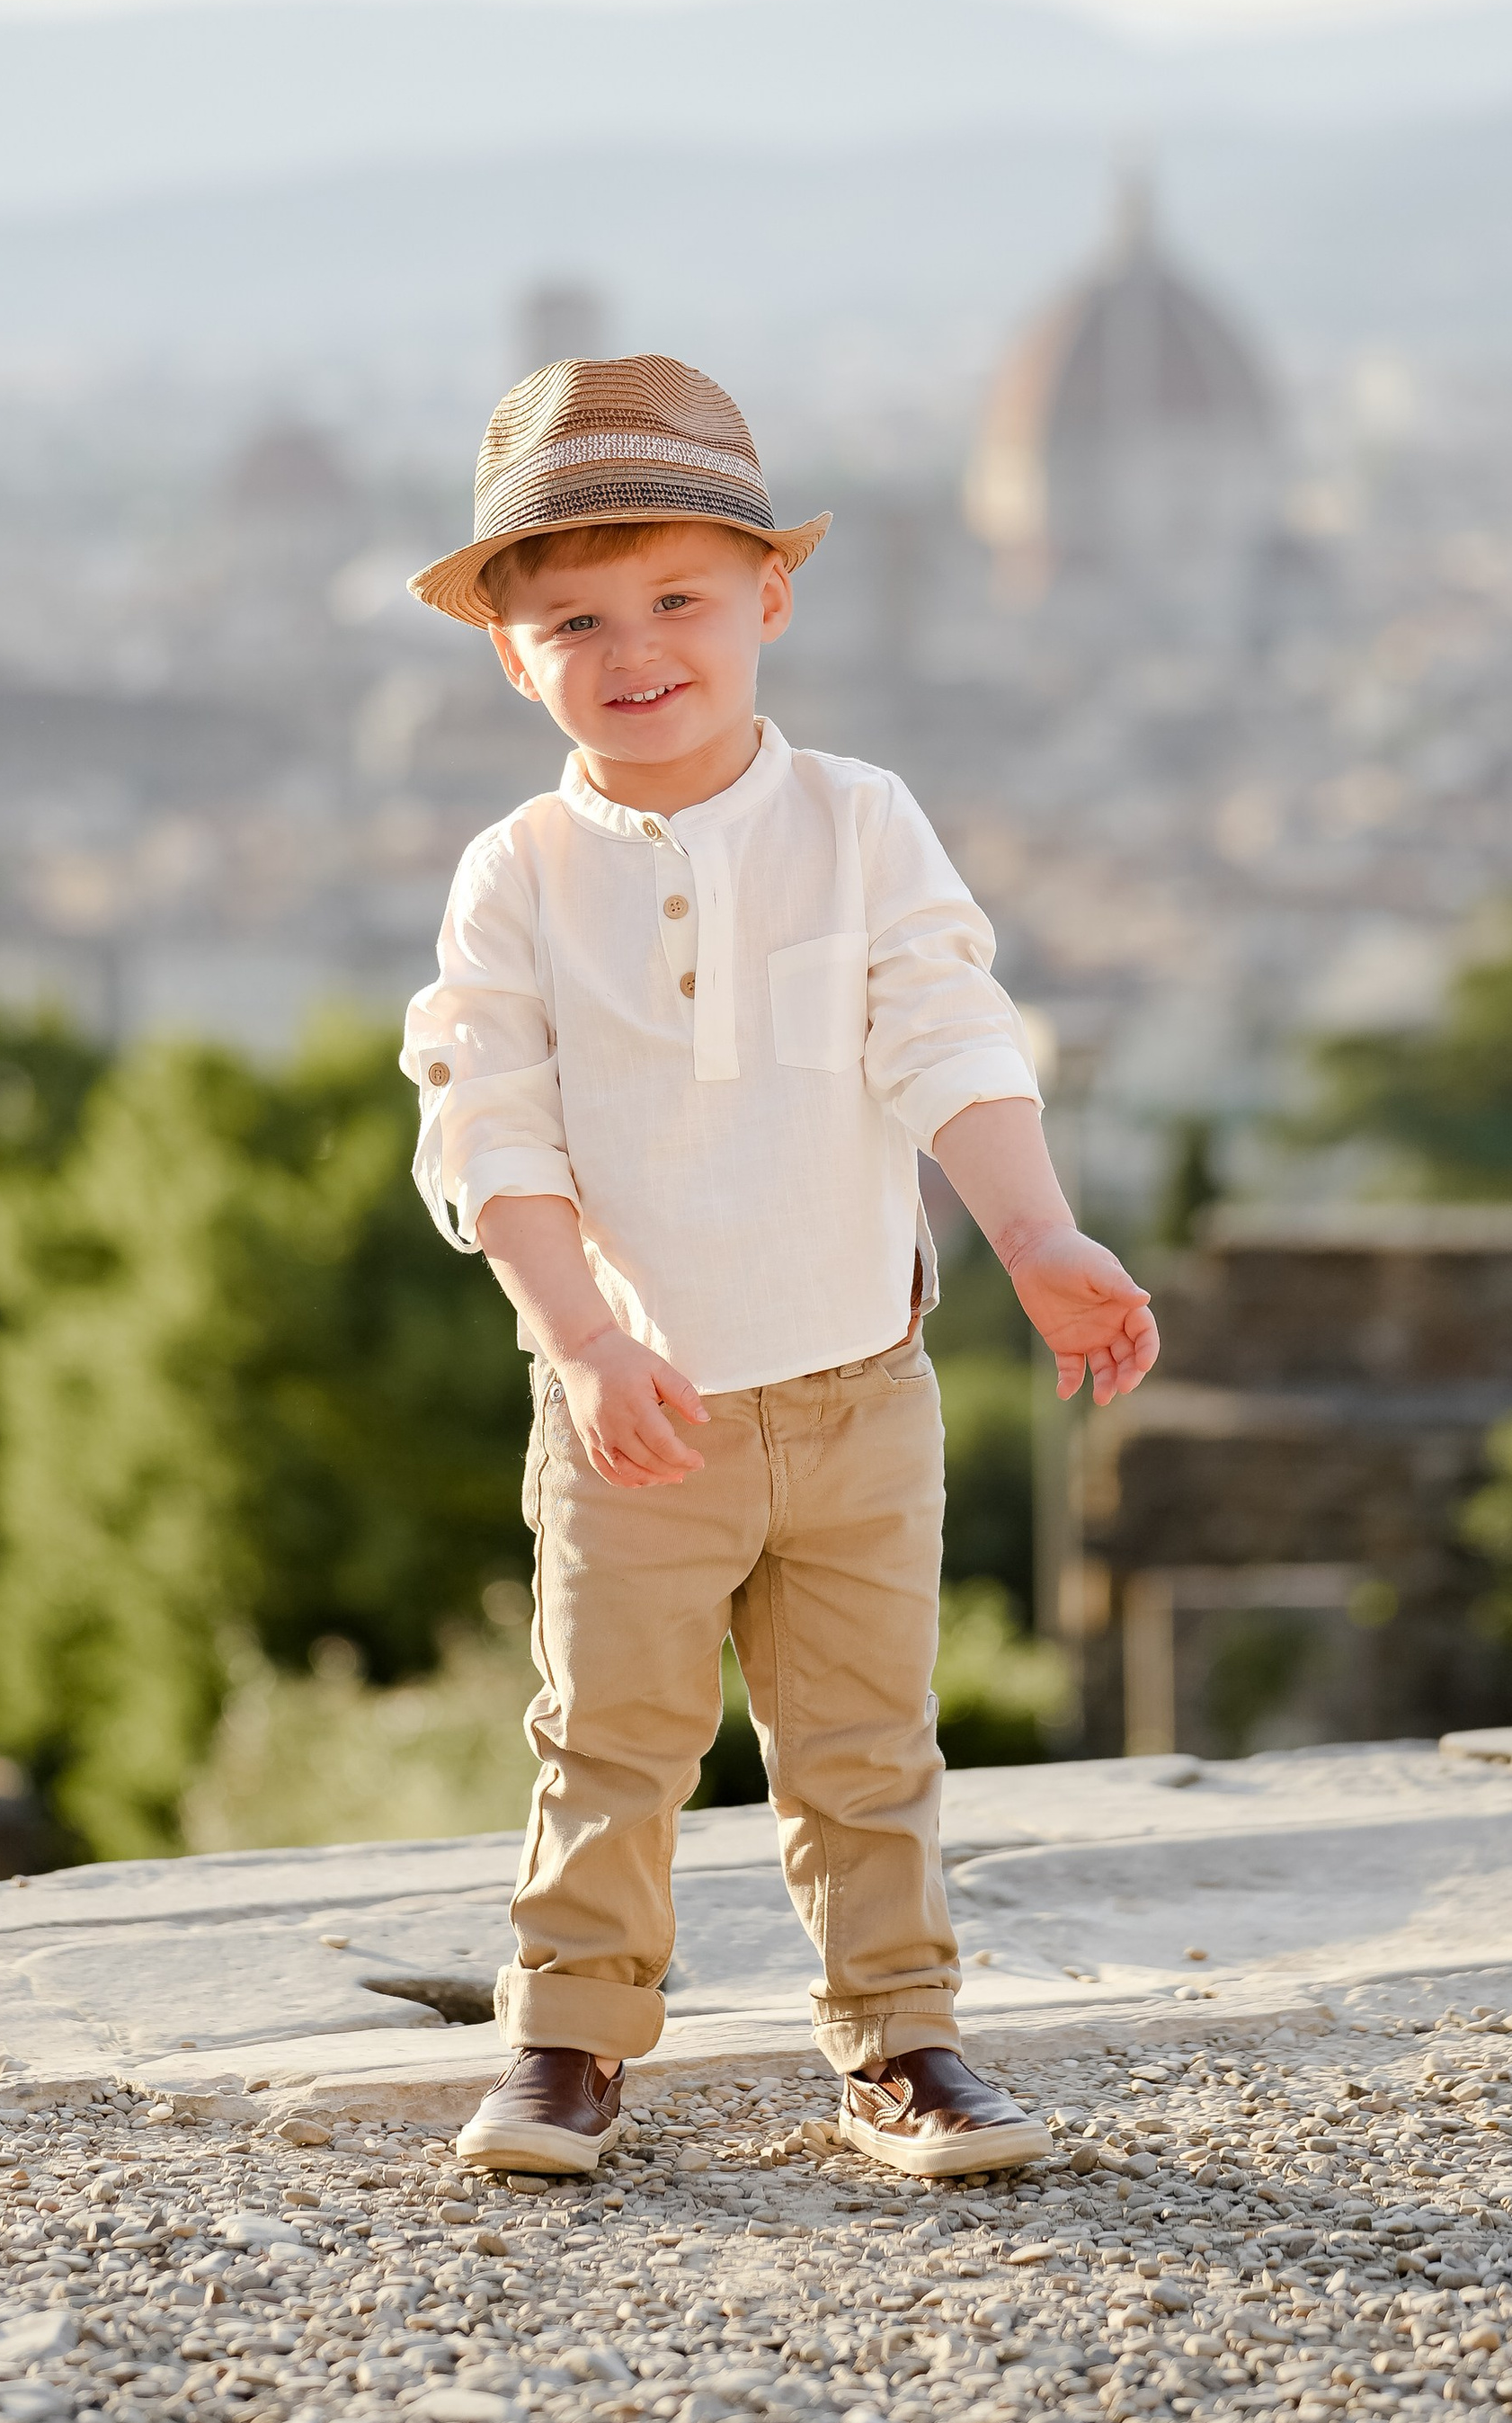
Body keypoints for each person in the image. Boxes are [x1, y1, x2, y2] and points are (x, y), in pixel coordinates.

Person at [402, 355, 1158, 2181]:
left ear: (768, 601)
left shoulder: (859, 821)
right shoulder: (513, 876)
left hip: (856, 1382)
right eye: (573, 616)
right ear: (511, 649)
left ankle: (900, 2045)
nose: (632, 647)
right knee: (608, 1740)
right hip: (633, 1403)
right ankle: (566, 2045)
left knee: (863, 1745)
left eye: (677, 599)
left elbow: (942, 1032)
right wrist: (580, 1340)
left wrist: (1036, 1230)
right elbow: (488, 1129)